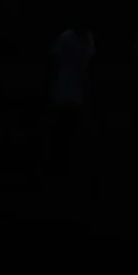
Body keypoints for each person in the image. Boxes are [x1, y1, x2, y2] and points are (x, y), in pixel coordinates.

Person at [45, 19, 96, 175]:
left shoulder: (83, 38)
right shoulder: (74, 38)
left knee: (66, 129)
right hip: (67, 91)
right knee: (65, 128)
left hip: (70, 92)